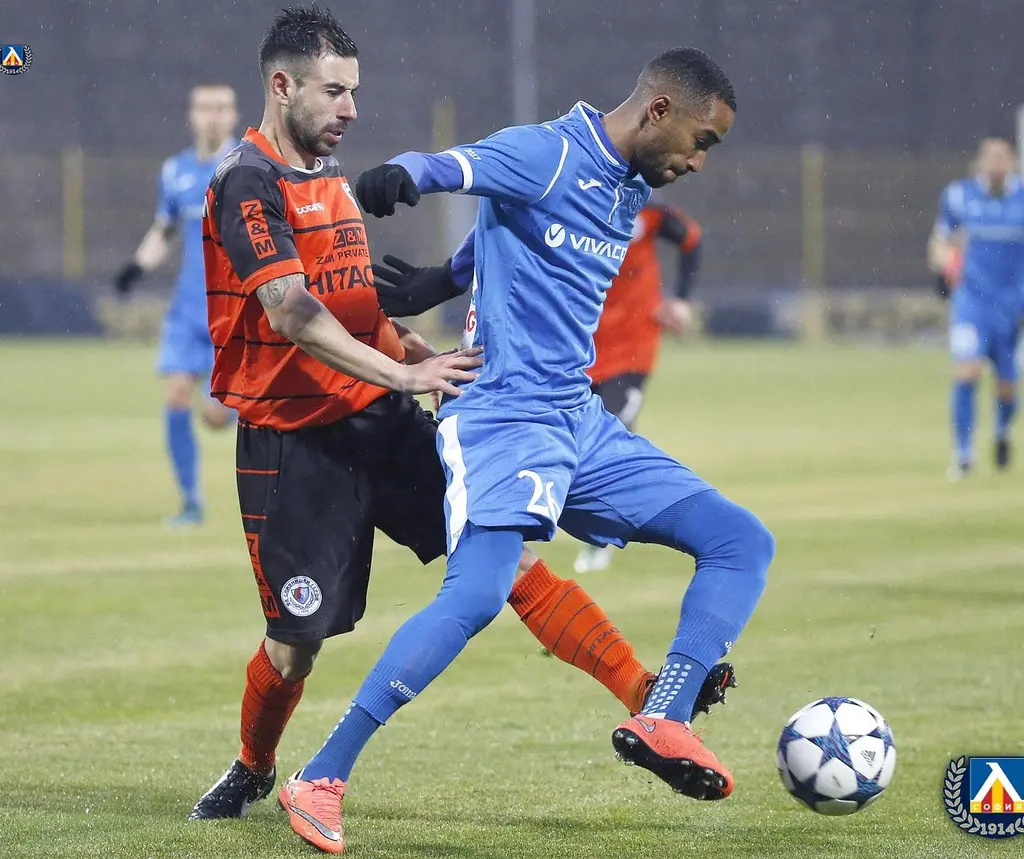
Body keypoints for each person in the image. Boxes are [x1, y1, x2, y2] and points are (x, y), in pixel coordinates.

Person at [190, 5, 740, 824]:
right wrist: (405, 372)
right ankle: (253, 764)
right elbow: (292, 311)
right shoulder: (248, 179)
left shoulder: (330, 174)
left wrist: (408, 347)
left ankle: (648, 699)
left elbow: (350, 300)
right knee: (295, 644)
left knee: (508, 561)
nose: (351, 110)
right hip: (295, 442)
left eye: (354, 91)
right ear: (281, 86)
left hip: (381, 417)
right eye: (334, 92)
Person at [114, 83, 240, 527]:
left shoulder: (245, 166)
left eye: (221, 108)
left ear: (233, 115)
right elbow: (165, 228)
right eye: (205, 108)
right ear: (191, 114)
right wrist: (136, 267)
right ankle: (190, 501)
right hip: (188, 308)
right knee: (175, 395)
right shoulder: (175, 170)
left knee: (216, 417)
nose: (213, 116)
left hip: (233, 310)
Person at [576, 202, 702, 573]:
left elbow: (692, 239)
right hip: (581, 346)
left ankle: (600, 536)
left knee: (609, 435)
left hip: (632, 347)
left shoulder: (647, 213)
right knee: (571, 439)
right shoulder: (573, 208)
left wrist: (681, 300)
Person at [927, 137, 1024, 479]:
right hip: (972, 303)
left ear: (1012, 162)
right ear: (981, 162)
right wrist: (945, 265)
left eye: (1002, 157)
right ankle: (964, 454)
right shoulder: (960, 196)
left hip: (1013, 306)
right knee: (966, 371)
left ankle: (1002, 430)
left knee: (1007, 386)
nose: (996, 164)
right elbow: (940, 241)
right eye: (990, 158)